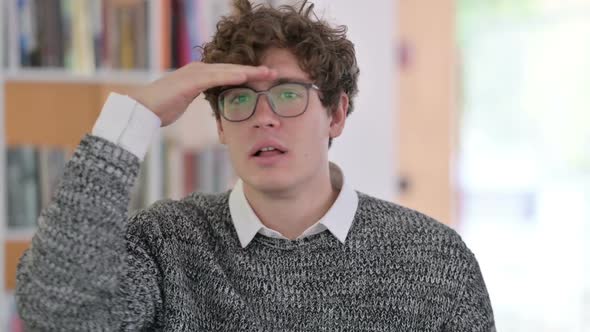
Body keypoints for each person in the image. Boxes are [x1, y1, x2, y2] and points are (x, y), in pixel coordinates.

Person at [15, 0, 495, 330]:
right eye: (239, 99)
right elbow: (58, 314)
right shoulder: (164, 243)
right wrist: (134, 117)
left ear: (337, 113)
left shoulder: (433, 258)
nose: (263, 117)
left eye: (288, 94)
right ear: (222, 126)